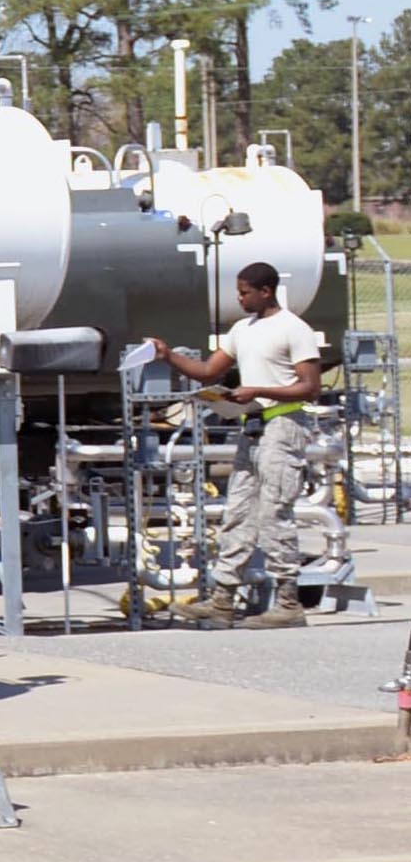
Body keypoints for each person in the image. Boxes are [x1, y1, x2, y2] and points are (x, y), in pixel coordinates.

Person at [141, 261, 326, 628]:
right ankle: (222, 599)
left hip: (283, 425)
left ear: (265, 291)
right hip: (253, 428)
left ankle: (288, 603)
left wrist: (257, 390)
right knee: (238, 513)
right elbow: (209, 371)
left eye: (245, 292)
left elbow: (310, 387)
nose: (239, 299)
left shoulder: (294, 329)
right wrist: (168, 355)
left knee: (274, 512)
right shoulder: (242, 330)